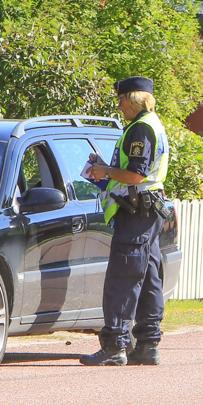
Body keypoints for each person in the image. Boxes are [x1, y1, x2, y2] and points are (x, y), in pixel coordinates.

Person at [80, 77, 172, 367]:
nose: (118, 105)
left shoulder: (141, 128)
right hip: (147, 211)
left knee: (123, 276)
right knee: (148, 278)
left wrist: (103, 170)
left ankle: (115, 345)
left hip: (137, 213)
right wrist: (106, 169)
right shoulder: (149, 124)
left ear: (133, 99)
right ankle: (147, 344)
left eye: (121, 99)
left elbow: (135, 175)